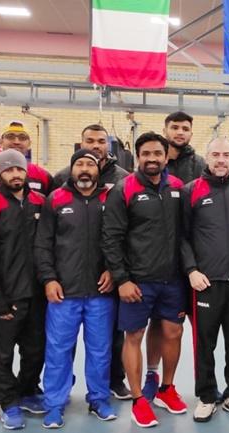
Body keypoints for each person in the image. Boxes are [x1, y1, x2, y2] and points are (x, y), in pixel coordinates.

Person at [102, 132, 187, 428]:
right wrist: (122, 279)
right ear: (138, 157)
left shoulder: (177, 188)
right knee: (134, 335)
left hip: (173, 279)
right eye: (146, 154)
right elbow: (111, 237)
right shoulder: (124, 190)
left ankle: (166, 388)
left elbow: (185, 233)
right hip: (137, 281)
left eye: (157, 154)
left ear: (166, 156)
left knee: (172, 332)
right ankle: (139, 398)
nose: (152, 159)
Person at [35, 149, 118, 428]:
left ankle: (98, 400)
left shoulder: (111, 198)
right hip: (64, 293)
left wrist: (113, 271)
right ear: (71, 169)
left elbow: (119, 240)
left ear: (99, 170)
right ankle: (54, 404)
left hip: (100, 293)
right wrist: (49, 279)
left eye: (90, 164)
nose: (85, 169)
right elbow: (43, 244)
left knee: (100, 351)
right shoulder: (56, 199)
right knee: (58, 351)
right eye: (79, 164)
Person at [51, 123, 131, 400]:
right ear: (81, 142)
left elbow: (125, 231)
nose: (96, 145)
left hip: (105, 280)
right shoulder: (61, 180)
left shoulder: (122, 179)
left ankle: (112, 381)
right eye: (90, 140)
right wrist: (49, 276)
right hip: (68, 280)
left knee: (108, 338)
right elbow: (50, 234)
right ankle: (61, 391)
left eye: (101, 141)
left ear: (108, 145)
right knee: (63, 342)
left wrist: (116, 271)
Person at [0, 149, 46, 430]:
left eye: (20, 169)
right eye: (9, 170)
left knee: (35, 349)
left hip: (37, 294)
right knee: (1, 354)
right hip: (6, 294)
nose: (15, 174)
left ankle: (27, 390)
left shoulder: (40, 202)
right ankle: (8, 402)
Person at [181, 137, 229, 422]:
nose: (221, 160)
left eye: (226, 155)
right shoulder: (191, 192)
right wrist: (191, 270)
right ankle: (207, 396)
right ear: (206, 157)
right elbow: (182, 237)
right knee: (205, 343)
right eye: (215, 155)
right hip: (206, 283)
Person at [142, 112, 206, 401]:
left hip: (195, 262)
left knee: (188, 329)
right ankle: (152, 376)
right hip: (158, 262)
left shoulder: (200, 165)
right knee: (158, 324)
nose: (180, 132)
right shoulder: (151, 164)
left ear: (191, 132)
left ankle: (203, 386)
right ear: (165, 129)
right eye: (175, 127)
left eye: (185, 128)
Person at [0, 120, 54, 196]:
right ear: (0, 142)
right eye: (10, 137)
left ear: (29, 143)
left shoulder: (43, 176)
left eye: (22, 137)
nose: (16, 142)